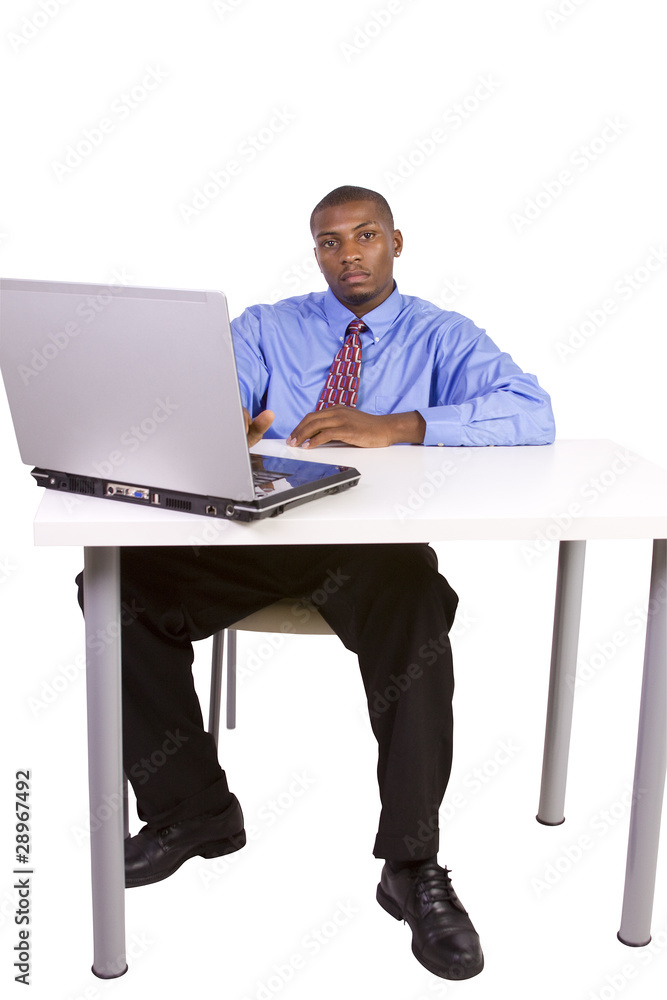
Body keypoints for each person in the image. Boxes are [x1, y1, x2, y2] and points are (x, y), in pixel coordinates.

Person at [77, 185, 554, 981]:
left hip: (368, 551)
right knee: (112, 587)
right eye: (330, 242)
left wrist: (399, 427)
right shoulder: (269, 326)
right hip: (257, 536)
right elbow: (209, 392)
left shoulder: (442, 336)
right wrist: (213, 421)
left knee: (415, 605)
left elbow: (531, 412)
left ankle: (411, 866)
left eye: (364, 236)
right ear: (316, 253)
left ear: (395, 242)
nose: (349, 254)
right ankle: (191, 812)